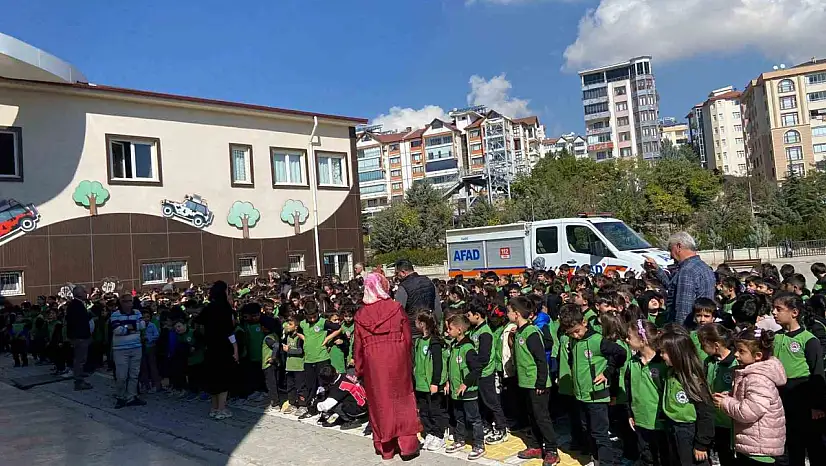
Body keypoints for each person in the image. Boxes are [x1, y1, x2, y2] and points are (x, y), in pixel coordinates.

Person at [353, 272, 420, 460]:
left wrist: (359, 369)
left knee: (380, 404)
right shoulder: (396, 308)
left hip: (373, 362)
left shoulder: (361, 314)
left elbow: (357, 346)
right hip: (397, 357)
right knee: (403, 400)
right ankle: (407, 446)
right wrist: (408, 360)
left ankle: (387, 449)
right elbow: (407, 338)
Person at [559, 305, 627, 466]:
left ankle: (606, 462)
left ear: (584, 322)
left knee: (600, 433)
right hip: (581, 394)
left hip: (597, 395)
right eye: (571, 333)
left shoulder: (598, 340)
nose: (576, 335)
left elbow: (620, 353)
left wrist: (607, 372)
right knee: (587, 430)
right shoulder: (573, 341)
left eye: (577, 330)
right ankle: (595, 459)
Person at [714, 326, 787, 466]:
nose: (735, 355)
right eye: (736, 350)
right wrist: (729, 396)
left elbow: (749, 412)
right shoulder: (749, 374)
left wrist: (725, 403)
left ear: (758, 356)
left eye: (741, 351)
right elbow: (750, 399)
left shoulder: (758, 379)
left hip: (759, 450)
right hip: (753, 443)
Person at [771, 292, 826, 466]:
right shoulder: (776, 337)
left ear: (794, 312)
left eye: (778, 309)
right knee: (793, 444)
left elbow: (817, 372)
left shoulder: (808, 340)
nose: (774, 312)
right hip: (783, 395)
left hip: (804, 393)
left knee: (813, 443)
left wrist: (817, 405)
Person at [510, 296, 561, 466]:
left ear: (517, 314)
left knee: (542, 417)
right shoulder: (519, 332)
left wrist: (541, 382)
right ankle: (536, 446)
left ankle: (552, 450)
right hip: (525, 382)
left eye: (509, 311)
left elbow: (540, 359)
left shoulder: (531, 332)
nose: (507, 314)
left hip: (536, 383)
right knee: (532, 416)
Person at [657, 324, 715, 466]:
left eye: (664, 352)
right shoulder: (670, 373)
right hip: (673, 426)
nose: (661, 356)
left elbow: (706, 413)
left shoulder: (693, 380)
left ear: (676, 353)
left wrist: (702, 443)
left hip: (688, 430)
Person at [646, 232, 715, 326]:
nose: (670, 256)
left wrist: (679, 335)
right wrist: (657, 270)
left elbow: (683, 310)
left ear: (678, 247)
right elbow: (674, 288)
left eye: (670, 250)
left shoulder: (687, 271)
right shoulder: (703, 267)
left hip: (689, 330)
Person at [625, 320, 669, 466]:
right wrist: (630, 414)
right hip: (640, 418)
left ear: (642, 340)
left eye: (629, 337)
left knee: (662, 457)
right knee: (646, 456)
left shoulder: (662, 363)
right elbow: (629, 390)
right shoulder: (633, 362)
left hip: (660, 422)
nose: (626, 340)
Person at [444, 313, 486, 461]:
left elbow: (476, 369)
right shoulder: (454, 345)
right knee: (459, 417)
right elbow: (452, 367)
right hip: (455, 390)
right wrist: (449, 382)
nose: (447, 331)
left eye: (450, 328)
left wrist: (465, 383)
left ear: (460, 330)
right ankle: (460, 440)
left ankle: (479, 444)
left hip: (468, 391)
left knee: (474, 418)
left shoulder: (468, 348)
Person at [195, 281, 239, 420]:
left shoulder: (208, 308)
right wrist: (235, 348)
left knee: (213, 378)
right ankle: (222, 409)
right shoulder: (225, 309)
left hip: (210, 348)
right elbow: (229, 331)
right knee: (224, 379)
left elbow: (198, 322)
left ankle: (214, 408)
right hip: (223, 347)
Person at [697, 324, 737, 466]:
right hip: (713, 420)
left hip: (730, 423)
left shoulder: (735, 363)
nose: (701, 348)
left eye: (703, 344)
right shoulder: (708, 362)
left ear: (716, 345)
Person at [413, 309, 449, 452]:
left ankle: (439, 435)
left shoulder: (435, 342)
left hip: (432, 384)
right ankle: (429, 433)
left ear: (422, 323)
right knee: (424, 411)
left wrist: (435, 382)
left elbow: (438, 365)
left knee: (435, 410)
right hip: (421, 384)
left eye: (416, 321)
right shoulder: (418, 341)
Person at [110, 294, 146, 408]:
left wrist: (126, 327)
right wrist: (133, 327)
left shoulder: (137, 312)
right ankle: (120, 397)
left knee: (134, 374)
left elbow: (143, 325)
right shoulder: (115, 314)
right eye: (126, 301)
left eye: (130, 301)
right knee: (122, 375)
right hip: (121, 349)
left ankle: (132, 397)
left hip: (136, 347)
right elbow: (117, 330)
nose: (129, 303)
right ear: (121, 302)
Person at [394, 259, 443, 338]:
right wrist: (438, 325)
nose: (396, 276)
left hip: (413, 331)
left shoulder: (403, 287)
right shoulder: (428, 281)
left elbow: (399, 312)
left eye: (397, 273)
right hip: (430, 328)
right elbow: (437, 307)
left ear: (403, 272)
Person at [66, 285, 94, 391]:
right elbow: (77, 322)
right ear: (79, 293)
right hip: (80, 337)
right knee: (80, 360)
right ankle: (78, 381)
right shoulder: (75, 305)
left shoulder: (77, 304)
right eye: (84, 291)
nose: (86, 292)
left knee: (80, 359)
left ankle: (80, 378)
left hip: (80, 336)